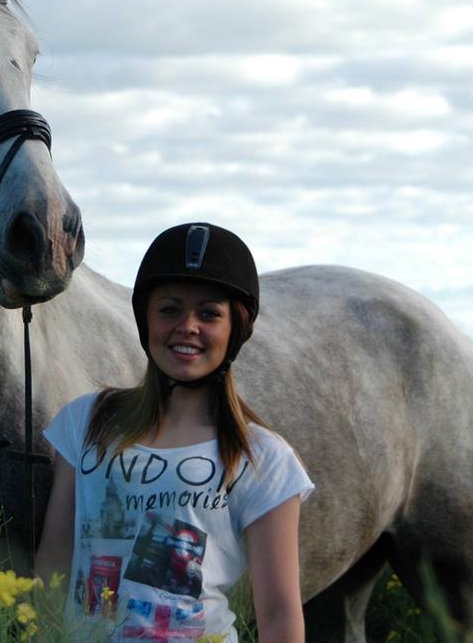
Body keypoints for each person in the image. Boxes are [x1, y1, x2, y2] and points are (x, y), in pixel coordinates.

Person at [36, 222, 314, 642]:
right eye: (169, 309)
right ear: (146, 320)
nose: (187, 325)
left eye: (208, 313)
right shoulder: (86, 423)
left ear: (234, 329)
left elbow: (278, 616)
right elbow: (54, 564)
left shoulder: (263, 459)